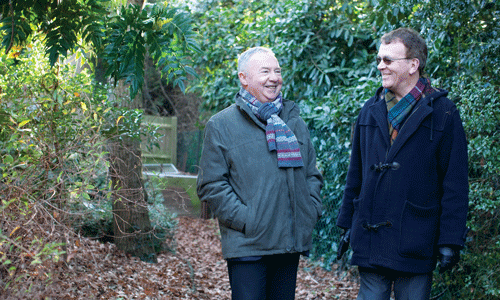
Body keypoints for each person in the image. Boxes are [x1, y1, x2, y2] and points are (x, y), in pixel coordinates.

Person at [336, 28, 469, 300]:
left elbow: (455, 183)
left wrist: (450, 241)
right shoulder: (369, 110)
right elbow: (356, 174)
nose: (380, 66)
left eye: (388, 60)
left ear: (413, 64)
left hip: (415, 239)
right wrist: (347, 224)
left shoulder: (443, 113)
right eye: (379, 60)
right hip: (371, 237)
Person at [196, 46, 323, 300]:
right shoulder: (221, 125)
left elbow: (311, 174)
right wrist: (248, 220)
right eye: (265, 71)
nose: (274, 77)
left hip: (288, 243)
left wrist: (309, 209)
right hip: (248, 245)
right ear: (244, 78)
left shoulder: (293, 121)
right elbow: (210, 184)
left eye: (277, 71)